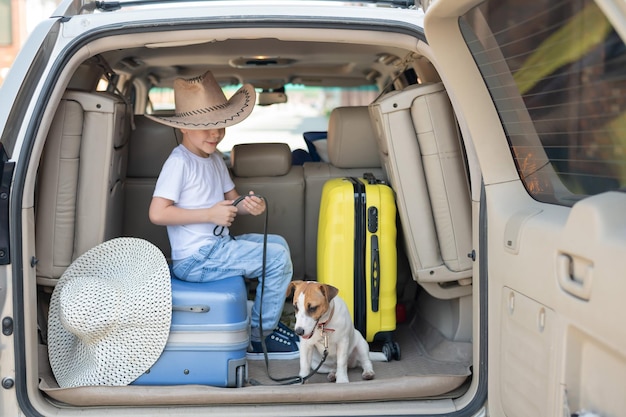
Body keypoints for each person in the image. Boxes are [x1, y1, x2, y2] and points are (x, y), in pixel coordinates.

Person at [147, 70, 299, 360]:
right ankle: (260, 338)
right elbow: (157, 213)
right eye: (205, 127)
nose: (215, 133)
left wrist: (249, 205)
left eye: (221, 126)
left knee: (278, 244)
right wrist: (209, 214)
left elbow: (233, 201)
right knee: (276, 260)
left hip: (218, 248)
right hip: (195, 259)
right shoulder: (179, 162)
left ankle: (263, 319)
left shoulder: (215, 158)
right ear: (184, 128)